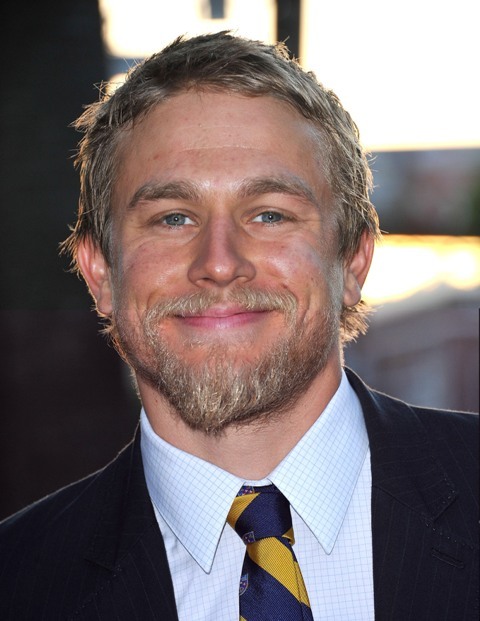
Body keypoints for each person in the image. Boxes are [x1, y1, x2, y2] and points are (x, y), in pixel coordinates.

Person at [0, 31, 477, 621]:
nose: (220, 262)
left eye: (269, 214)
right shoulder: (17, 583)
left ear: (353, 262)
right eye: (173, 218)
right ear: (100, 272)